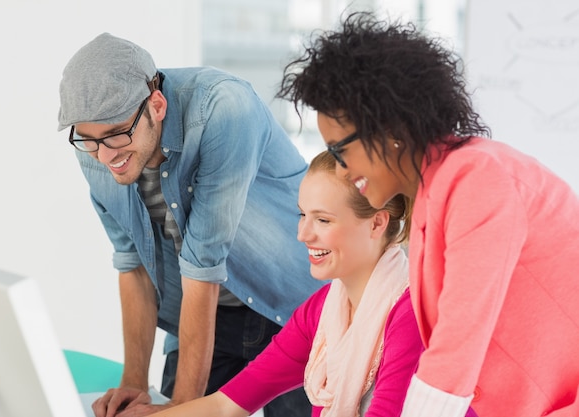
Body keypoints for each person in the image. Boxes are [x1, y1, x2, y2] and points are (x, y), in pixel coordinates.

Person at [276, 11, 579, 417]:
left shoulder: (475, 178)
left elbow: (455, 350)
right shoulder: (432, 196)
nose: (343, 172)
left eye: (340, 152)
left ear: (388, 130)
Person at [57, 33, 325, 417]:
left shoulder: (223, 109)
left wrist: (182, 408)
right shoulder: (96, 150)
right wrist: (135, 384)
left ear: (157, 105)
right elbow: (132, 264)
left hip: (292, 310)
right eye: (89, 139)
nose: (105, 155)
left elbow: (204, 265)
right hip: (201, 317)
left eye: (116, 134)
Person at [143, 149, 438, 417]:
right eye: (302, 215)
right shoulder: (322, 311)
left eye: (323, 220)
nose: (303, 234)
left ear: (377, 223)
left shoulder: (412, 315)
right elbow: (226, 404)